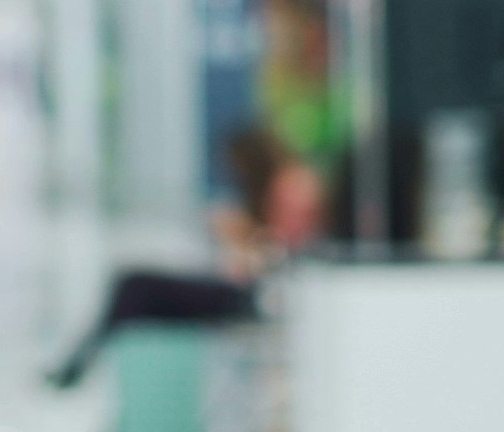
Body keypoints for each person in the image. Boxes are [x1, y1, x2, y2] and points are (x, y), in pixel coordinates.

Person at [43, 124, 321, 390]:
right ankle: (82, 360)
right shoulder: (276, 189)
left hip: (258, 296)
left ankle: (80, 361)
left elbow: (284, 251)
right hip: (253, 290)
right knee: (134, 288)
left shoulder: (289, 186)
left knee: (134, 286)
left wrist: (243, 237)